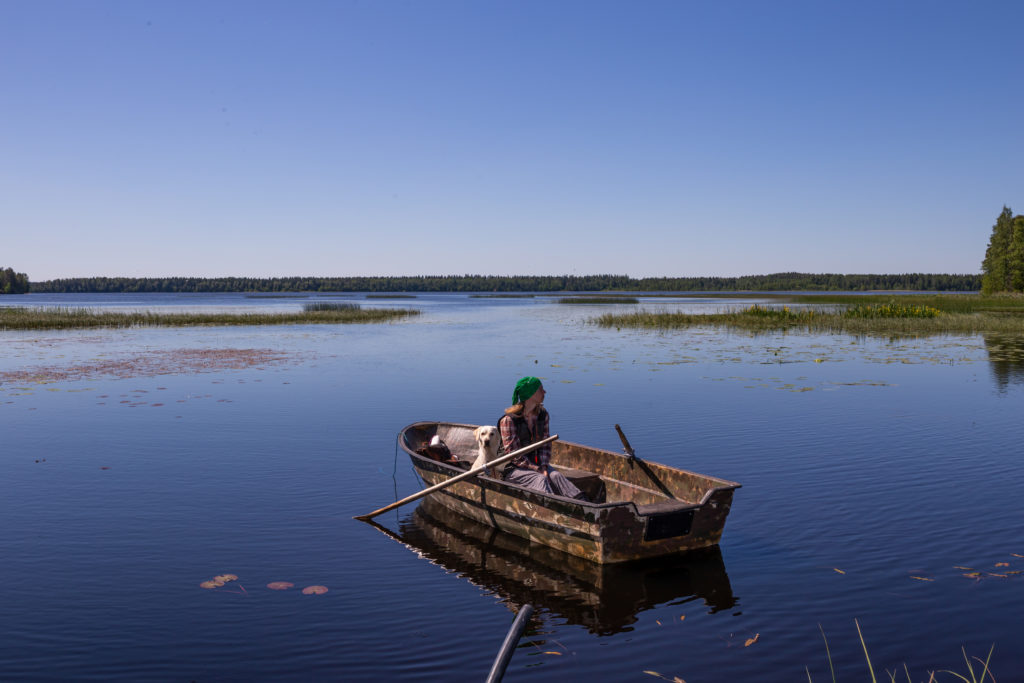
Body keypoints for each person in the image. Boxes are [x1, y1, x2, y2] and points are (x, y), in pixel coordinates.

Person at [499, 376, 587, 500]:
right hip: (512, 468)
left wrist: (544, 466)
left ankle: (583, 504)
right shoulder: (509, 420)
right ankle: (555, 507)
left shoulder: (542, 415)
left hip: (535, 464)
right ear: (530, 394)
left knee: (556, 476)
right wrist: (538, 470)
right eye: (540, 389)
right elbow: (514, 455)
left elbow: (545, 446)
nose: (544, 392)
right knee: (540, 479)